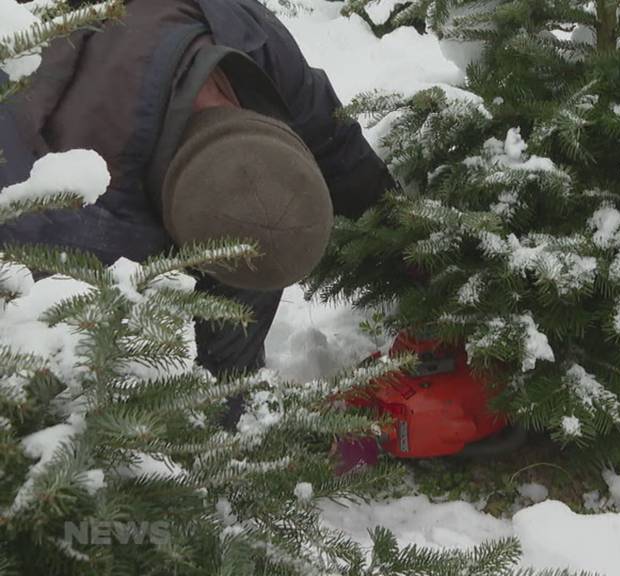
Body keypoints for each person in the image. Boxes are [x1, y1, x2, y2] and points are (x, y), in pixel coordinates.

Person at [0, 0, 397, 425]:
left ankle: (224, 404)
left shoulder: (250, 41)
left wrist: (402, 241)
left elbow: (337, 146)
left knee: (255, 237)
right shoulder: (66, 215)